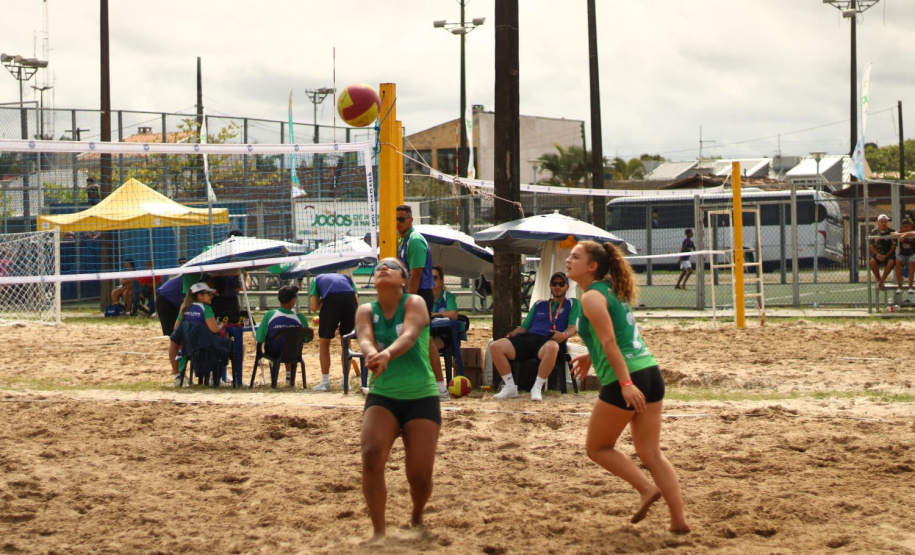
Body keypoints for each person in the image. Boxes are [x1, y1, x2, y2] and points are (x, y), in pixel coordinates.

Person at [565, 240, 689, 534]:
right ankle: (679, 521)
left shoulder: (591, 297)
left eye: (575, 256)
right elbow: (616, 336)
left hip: (627, 378)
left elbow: (610, 341)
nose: (568, 260)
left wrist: (625, 384)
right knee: (652, 453)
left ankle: (646, 489)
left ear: (592, 266)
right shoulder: (609, 290)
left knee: (598, 448)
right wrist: (590, 355)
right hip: (650, 371)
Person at [355, 258, 441, 541]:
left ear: (403, 280)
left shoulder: (415, 302)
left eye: (391, 267)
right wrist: (371, 353)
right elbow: (364, 338)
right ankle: (379, 532)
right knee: (371, 454)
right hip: (384, 394)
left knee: (420, 476)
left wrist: (387, 354)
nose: (383, 268)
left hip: (421, 395)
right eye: (379, 266)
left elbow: (410, 335)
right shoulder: (366, 309)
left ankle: (417, 516)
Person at [490, 271, 580, 401]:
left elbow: (573, 327)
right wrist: (512, 334)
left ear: (567, 287)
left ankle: (537, 387)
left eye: (561, 284)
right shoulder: (539, 304)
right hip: (529, 338)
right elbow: (523, 328)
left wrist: (564, 334)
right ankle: (510, 387)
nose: (557, 287)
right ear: (550, 285)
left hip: (549, 339)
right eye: (554, 283)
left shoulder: (572, 303)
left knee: (553, 347)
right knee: (496, 346)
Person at [396, 204, 449, 400]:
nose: (398, 223)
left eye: (402, 219)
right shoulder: (404, 241)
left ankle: (440, 388)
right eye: (396, 219)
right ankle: (420, 385)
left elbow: (416, 275)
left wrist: (408, 301)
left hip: (419, 295)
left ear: (411, 220)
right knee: (413, 341)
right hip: (415, 295)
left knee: (424, 341)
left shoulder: (415, 241)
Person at [309, 272, 359, 392]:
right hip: (350, 300)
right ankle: (345, 381)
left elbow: (313, 307)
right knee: (346, 342)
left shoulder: (316, 279)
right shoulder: (346, 278)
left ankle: (325, 382)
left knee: (324, 341)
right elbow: (356, 302)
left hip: (331, 299)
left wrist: (323, 301)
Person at [168, 282, 225, 387]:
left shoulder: (185, 308)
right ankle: (215, 377)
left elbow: (176, 328)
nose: (211, 296)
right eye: (209, 294)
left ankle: (178, 376)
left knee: (175, 342)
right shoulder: (206, 308)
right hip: (203, 347)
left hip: (187, 347)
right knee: (224, 344)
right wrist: (221, 325)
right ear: (200, 296)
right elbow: (214, 329)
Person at [257, 285, 311, 386]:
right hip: (294, 354)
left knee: (278, 343)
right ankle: (289, 378)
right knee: (290, 344)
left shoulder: (269, 315)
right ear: (293, 300)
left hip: (273, 352)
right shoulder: (300, 318)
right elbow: (307, 339)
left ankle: (275, 378)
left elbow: (260, 337)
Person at [430, 265, 462, 354]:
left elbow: (453, 315)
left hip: (444, 335)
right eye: (429, 277)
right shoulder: (423, 297)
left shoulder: (447, 296)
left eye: (435, 278)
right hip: (427, 333)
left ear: (442, 281)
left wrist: (432, 315)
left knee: (429, 347)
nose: (431, 280)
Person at [868, 214, 897, 290]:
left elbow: (893, 246)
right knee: (872, 261)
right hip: (877, 253)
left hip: (888, 254)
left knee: (891, 261)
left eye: (885, 221)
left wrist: (886, 255)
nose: (883, 223)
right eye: (881, 221)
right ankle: (879, 280)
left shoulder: (891, 232)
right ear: (878, 222)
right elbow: (871, 245)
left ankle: (881, 281)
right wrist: (878, 254)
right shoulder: (874, 232)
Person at [893, 218, 915, 299]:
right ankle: (899, 287)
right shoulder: (900, 232)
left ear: (911, 227)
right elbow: (893, 233)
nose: (906, 228)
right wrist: (901, 234)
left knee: (912, 262)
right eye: (904, 226)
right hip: (902, 254)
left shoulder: (912, 233)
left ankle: (910, 287)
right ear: (902, 227)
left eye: (907, 226)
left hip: (912, 254)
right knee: (897, 262)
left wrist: (906, 234)